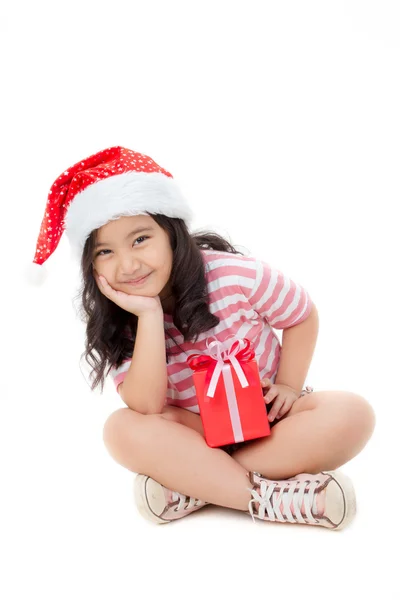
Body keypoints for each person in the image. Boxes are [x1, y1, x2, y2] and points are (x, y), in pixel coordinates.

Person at [28, 146, 376, 530]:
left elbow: (301, 315)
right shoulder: (118, 315)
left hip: (268, 424)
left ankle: (196, 484)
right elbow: (145, 405)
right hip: (194, 436)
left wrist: (290, 387)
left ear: (172, 232)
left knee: (352, 413)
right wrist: (148, 315)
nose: (127, 265)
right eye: (105, 252)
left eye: (140, 240)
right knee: (120, 429)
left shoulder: (234, 275)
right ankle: (270, 497)